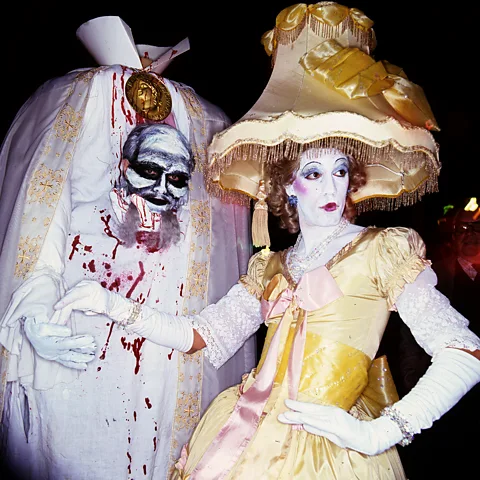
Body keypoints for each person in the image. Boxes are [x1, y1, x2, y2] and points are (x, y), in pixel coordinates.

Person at [52, 3, 480, 479]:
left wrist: (382, 431)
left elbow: (464, 352)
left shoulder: (382, 251)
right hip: (247, 437)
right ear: (287, 189)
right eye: (312, 174)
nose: (330, 187)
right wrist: (110, 304)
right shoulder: (270, 267)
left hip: (334, 452)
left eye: (340, 171)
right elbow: (203, 334)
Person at [0, 16, 255, 480]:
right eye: (148, 173)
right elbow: (40, 217)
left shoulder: (203, 118)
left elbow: (218, 257)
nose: (161, 191)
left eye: (176, 179)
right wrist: (32, 310)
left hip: (167, 355)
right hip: (82, 343)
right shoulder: (78, 100)